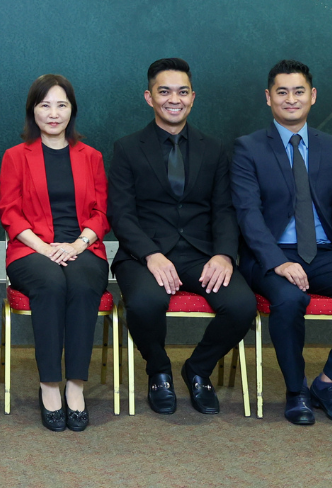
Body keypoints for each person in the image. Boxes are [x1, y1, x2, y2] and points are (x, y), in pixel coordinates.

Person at [231, 59, 332, 426]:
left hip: (326, 253)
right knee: (288, 299)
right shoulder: (248, 148)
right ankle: (296, 389)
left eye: (298, 91)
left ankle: (328, 383)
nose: (290, 99)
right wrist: (278, 262)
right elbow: (248, 215)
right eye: (281, 92)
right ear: (268, 98)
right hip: (271, 255)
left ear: (312, 96)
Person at [109, 58, 256, 416]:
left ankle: (198, 368)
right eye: (164, 91)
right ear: (149, 97)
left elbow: (224, 209)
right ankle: (158, 369)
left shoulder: (214, 149)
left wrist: (224, 254)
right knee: (144, 304)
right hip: (143, 254)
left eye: (182, 91)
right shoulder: (127, 148)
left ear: (193, 97)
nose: (174, 99)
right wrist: (150, 255)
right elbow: (121, 213)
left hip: (201, 253)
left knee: (241, 306)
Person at [0, 74, 109, 432]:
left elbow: (102, 211)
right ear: (33, 110)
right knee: (51, 284)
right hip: (30, 248)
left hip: (82, 246)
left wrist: (78, 244)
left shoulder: (91, 156)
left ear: (72, 110)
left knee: (82, 283)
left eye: (61, 104)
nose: (53, 113)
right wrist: (45, 248)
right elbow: (9, 211)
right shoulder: (16, 156)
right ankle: (49, 384)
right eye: (45, 104)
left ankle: (75, 386)